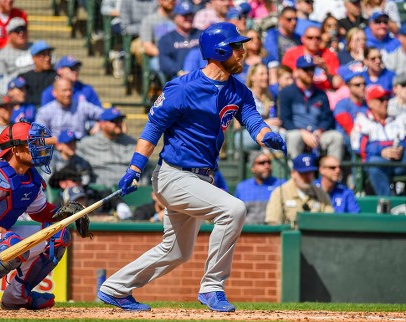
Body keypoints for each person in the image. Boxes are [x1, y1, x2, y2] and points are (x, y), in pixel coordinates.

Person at [97, 22, 287, 312]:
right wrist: (135, 168)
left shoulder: (238, 90)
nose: (242, 52)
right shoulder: (183, 88)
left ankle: (115, 288)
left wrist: (266, 136)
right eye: (236, 47)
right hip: (173, 176)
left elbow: (252, 120)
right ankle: (213, 287)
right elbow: (152, 129)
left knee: (176, 251)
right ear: (219, 49)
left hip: (201, 180)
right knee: (234, 209)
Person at [0, 121, 86, 311]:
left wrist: (64, 213)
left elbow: (39, 212)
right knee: (11, 243)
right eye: (33, 144)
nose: (40, 148)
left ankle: (17, 295)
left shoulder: (31, 178)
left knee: (57, 235)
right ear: (15, 150)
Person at [279, 55, 345, 161]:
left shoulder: (321, 94)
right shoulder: (286, 92)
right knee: (294, 137)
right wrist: (302, 132)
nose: (310, 72)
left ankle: (332, 172)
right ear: (297, 71)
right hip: (297, 132)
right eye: (305, 69)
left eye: (312, 69)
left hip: (317, 135)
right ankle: (295, 174)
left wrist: (320, 130)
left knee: (336, 137)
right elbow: (285, 120)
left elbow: (327, 118)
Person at [351, 84, 406, 196]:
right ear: (370, 102)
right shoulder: (362, 121)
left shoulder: (397, 119)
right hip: (379, 162)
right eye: (381, 99)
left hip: (399, 161)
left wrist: (401, 147)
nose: (385, 102)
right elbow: (358, 147)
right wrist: (382, 151)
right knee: (373, 164)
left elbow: (403, 139)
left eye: (386, 99)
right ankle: (389, 204)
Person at [76, 107, 138, 188]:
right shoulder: (87, 143)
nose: (118, 124)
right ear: (102, 124)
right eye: (114, 121)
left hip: (130, 189)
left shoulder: (132, 142)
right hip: (102, 190)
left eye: (120, 120)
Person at [266, 153, 334, 225]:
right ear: (293, 173)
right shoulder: (280, 193)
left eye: (310, 173)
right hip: (291, 234)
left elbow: (330, 220)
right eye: (304, 173)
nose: (308, 177)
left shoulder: (320, 192)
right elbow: (273, 222)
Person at [35, 78, 103, 139]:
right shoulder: (45, 111)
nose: (68, 93)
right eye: (64, 90)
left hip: (81, 146)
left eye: (70, 90)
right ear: (54, 93)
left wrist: (100, 123)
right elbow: (38, 138)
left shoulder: (81, 106)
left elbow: (104, 114)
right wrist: (61, 142)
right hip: (56, 148)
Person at [282, 26, 343, 90]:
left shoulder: (329, 54)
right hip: (300, 92)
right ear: (302, 39)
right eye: (310, 38)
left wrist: (326, 69)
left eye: (318, 38)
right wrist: (308, 66)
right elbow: (286, 78)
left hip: (326, 92)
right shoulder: (291, 54)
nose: (314, 40)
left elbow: (338, 83)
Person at [234, 151, 285, 224]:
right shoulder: (242, 187)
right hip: (249, 231)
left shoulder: (281, 184)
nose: (267, 166)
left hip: (274, 230)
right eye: (262, 163)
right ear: (253, 168)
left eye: (269, 162)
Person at [157, 2, 202, 80]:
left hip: (201, 76)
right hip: (179, 77)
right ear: (175, 18)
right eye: (184, 16)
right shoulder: (167, 38)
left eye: (190, 15)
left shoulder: (202, 34)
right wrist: (178, 71)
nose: (188, 18)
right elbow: (164, 61)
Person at [17, 40, 57, 107]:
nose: (47, 58)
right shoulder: (25, 77)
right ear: (34, 57)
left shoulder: (57, 76)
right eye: (43, 55)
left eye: (49, 54)